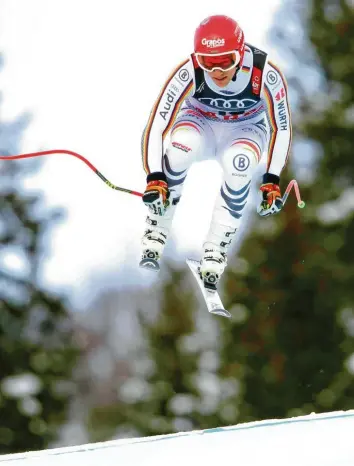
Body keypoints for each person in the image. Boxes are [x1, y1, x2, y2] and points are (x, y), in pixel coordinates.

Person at [139, 14, 292, 290]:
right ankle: (156, 227)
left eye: (226, 61)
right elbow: (157, 123)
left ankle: (216, 248)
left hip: (245, 129)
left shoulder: (264, 72)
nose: (217, 71)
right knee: (179, 149)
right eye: (208, 62)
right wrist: (154, 177)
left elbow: (281, 128)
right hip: (201, 122)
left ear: (241, 52)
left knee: (239, 165)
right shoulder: (189, 70)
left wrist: (272, 179)